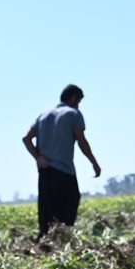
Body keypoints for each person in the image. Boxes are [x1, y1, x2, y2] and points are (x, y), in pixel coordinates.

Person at [23, 84, 101, 238]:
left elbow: (26, 139)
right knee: (68, 206)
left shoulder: (43, 116)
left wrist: (38, 157)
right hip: (64, 170)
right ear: (73, 98)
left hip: (45, 171)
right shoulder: (74, 114)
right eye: (78, 101)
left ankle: (45, 242)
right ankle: (62, 239)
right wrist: (94, 163)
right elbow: (81, 140)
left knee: (48, 210)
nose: (78, 105)